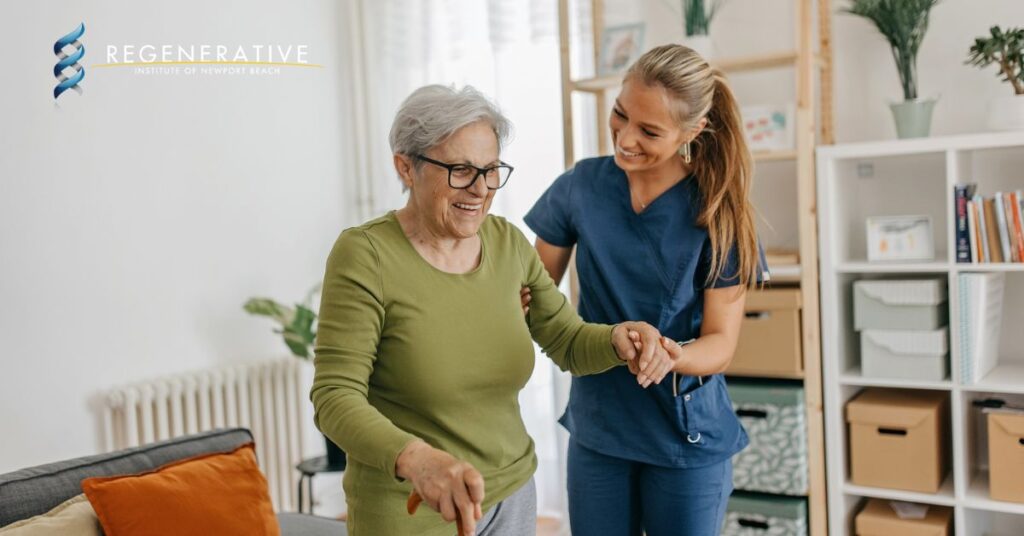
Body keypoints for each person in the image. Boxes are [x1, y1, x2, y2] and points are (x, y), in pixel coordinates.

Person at [310, 84, 676, 536]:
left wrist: (619, 338)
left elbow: (566, 340)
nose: (481, 190)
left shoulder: (506, 243)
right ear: (406, 166)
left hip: (512, 495)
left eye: (490, 170)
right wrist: (418, 461)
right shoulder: (366, 255)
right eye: (460, 170)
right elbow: (335, 397)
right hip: (412, 505)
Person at [523, 44, 769, 536]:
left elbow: (721, 343)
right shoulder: (581, 188)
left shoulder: (718, 211)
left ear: (691, 132)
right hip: (600, 428)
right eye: (620, 115)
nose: (625, 138)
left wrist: (670, 356)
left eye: (649, 131)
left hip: (684, 436)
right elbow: (531, 292)